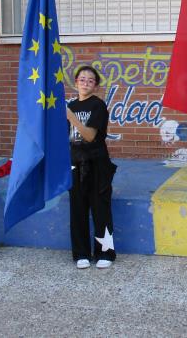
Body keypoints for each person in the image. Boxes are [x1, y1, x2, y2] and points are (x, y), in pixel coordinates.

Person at [66, 65, 117, 269]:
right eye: (82, 79)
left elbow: (89, 135)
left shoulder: (97, 105)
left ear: (95, 86)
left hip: (96, 164)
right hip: (75, 164)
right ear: (76, 82)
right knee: (77, 210)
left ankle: (105, 253)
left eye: (90, 80)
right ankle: (81, 253)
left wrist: (71, 117)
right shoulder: (71, 105)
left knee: (100, 208)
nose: (85, 83)